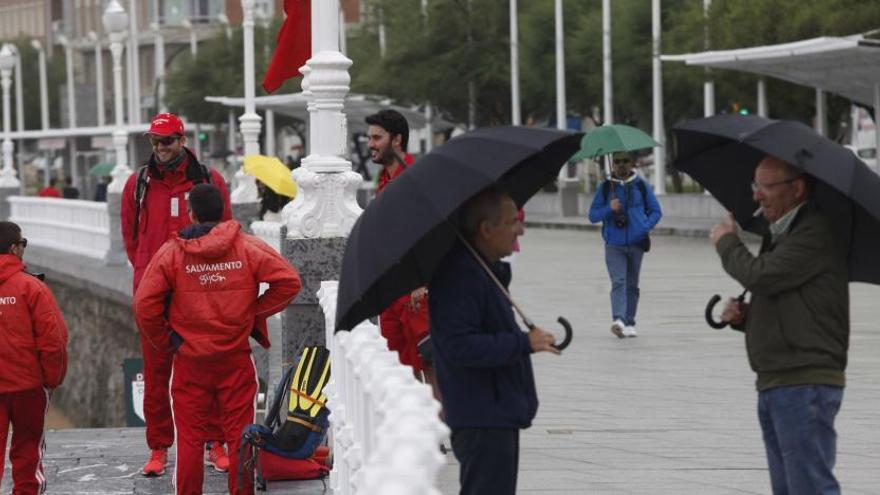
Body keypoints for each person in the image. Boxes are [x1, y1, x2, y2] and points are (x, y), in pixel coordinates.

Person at [134, 184, 301, 495]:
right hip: (235, 358)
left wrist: (169, 339)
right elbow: (290, 282)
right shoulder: (248, 247)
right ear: (224, 211)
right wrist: (253, 316)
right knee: (240, 437)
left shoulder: (172, 252)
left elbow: (144, 304)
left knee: (189, 440)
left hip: (189, 361)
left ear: (191, 213)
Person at [710, 156, 848, 495]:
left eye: (765, 187)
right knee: (789, 488)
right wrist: (746, 318)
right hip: (779, 379)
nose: (757, 196)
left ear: (797, 188)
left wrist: (727, 241)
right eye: (754, 187)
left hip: (804, 380)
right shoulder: (783, 233)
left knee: (810, 486)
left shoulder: (814, 231)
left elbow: (761, 275)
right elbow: (790, 300)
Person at [120, 112, 233, 477]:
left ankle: (215, 442)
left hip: (200, 291)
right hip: (153, 294)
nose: (160, 148)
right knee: (155, 373)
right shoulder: (137, 184)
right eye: (154, 141)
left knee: (209, 368)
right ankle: (158, 447)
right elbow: (130, 237)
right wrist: (147, 272)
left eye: (167, 141)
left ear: (182, 140)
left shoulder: (209, 180)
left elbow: (225, 231)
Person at [429, 187, 559, 495]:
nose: (520, 229)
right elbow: (459, 345)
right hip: (481, 417)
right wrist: (524, 343)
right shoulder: (461, 275)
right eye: (512, 222)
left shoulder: (481, 270)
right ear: (486, 230)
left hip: (494, 411)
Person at [0, 221, 69, 495]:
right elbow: (54, 340)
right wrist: (51, 380)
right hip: (28, 386)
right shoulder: (32, 288)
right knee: (28, 447)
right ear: (14, 248)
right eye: (23, 244)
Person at [588, 152, 662, 338]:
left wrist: (644, 226)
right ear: (613, 165)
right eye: (618, 161)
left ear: (632, 164)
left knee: (632, 284)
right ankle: (618, 319)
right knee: (619, 281)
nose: (621, 165)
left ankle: (630, 322)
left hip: (637, 243)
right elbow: (592, 215)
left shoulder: (641, 186)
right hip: (614, 243)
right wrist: (609, 208)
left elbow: (656, 211)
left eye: (625, 161)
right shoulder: (605, 187)